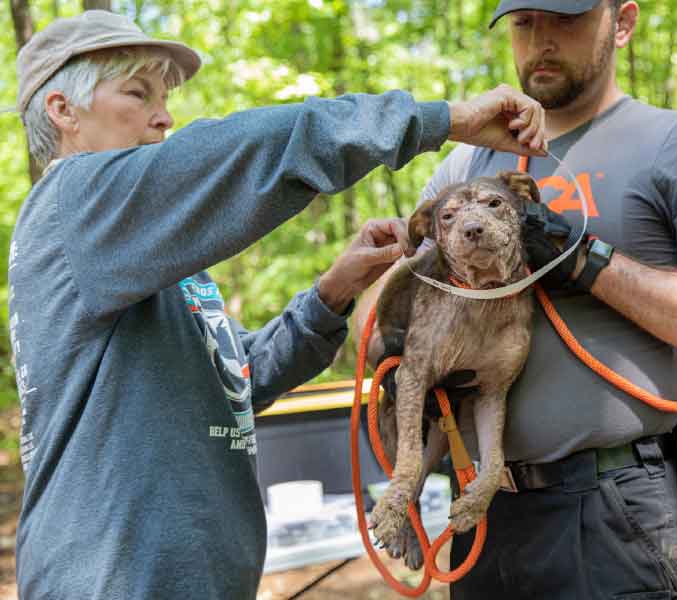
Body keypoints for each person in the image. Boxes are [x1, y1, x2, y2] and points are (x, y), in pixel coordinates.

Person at [8, 10, 550, 599]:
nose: (163, 116)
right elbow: (239, 151)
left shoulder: (136, 259)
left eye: (162, 97)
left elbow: (242, 378)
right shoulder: (74, 204)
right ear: (63, 111)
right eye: (138, 94)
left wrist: (332, 292)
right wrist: (442, 120)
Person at [356, 1, 677, 598]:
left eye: (567, 19)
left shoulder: (676, 143)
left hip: (615, 510)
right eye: (524, 22)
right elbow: (376, 325)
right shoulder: (466, 166)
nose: (542, 41)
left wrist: (584, 260)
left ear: (622, 22)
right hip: (484, 511)